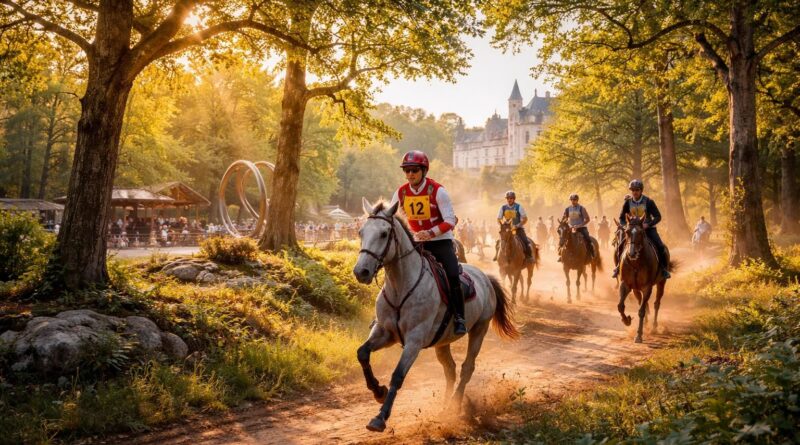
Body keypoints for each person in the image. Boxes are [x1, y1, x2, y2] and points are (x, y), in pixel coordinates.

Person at [390, 150, 467, 335]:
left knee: (452, 274)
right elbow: (390, 216)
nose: (410, 174)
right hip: (415, 243)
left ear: (423, 170)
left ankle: (459, 316)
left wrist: (430, 233)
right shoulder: (401, 192)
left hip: (440, 241)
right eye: (406, 171)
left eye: (414, 170)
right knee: (394, 274)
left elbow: (450, 220)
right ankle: (385, 316)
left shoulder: (438, 191)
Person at [612, 179, 671, 279]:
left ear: (641, 190)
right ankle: (618, 267)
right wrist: (625, 225)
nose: (635, 192)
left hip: (648, 229)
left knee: (660, 246)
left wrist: (648, 224)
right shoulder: (627, 203)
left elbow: (658, 216)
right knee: (620, 245)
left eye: (637, 190)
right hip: (632, 230)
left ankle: (663, 269)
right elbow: (621, 217)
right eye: (633, 190)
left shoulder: (649, 202)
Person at [492, 191, 534, 264]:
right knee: (498, 242)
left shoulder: (519, 207)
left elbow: (525, 219)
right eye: (508, 198)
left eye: (511, 198)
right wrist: (503, 225)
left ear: (514, 199)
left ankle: (529, 257)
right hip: (507, 229)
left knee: (526, 242)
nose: (509, 199)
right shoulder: (503, 207)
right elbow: (499, 218)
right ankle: (496, 255)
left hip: (518, 228)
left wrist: (517, 225)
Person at [559, 194, 595, 262]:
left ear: (577, 200)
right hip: (570, 228)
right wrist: (564, 223)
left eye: (574, 200)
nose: (573, 201)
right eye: (571, 200)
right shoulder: (567, 209)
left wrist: (578, 226)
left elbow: (587, 219)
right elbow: (564, 219)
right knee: (562, 238)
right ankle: (560, 255)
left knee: (587, 239)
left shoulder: (582, 208)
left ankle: (591, 254)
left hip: (581, 228)